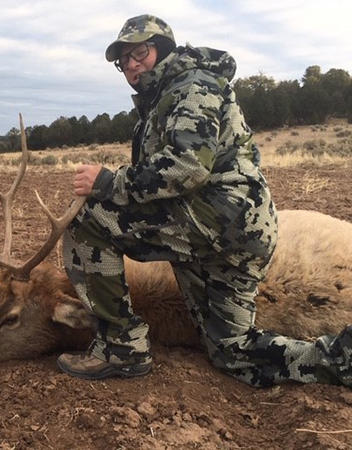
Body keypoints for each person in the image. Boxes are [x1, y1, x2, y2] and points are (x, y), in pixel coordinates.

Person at [57, 14, 352, 387]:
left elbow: (187, 166)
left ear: (162, 49)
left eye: (140, 53)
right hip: (233, 233)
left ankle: (120, 347)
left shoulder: (190, 86)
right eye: (124, 60)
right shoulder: (165, 96)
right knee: (233, 351)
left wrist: (108, 182)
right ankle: (341, 359)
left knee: (88, 220)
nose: (132, 65)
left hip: (217, 220)